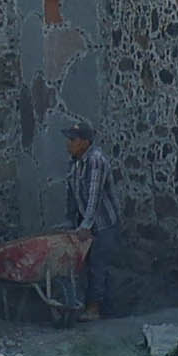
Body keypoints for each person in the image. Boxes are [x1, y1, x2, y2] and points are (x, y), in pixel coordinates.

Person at [64, 124, 120, 319]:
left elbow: (94, 197)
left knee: (98, 266)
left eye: (73, 140)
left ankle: (94, 310)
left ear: (85, 142)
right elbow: (72, 195)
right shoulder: (75, 162)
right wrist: (70, 222)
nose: (68, 143)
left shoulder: (96, 161)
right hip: (86, 221)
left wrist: (86, 226)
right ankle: (83, 306)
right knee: (83, 267)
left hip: (103, 223)